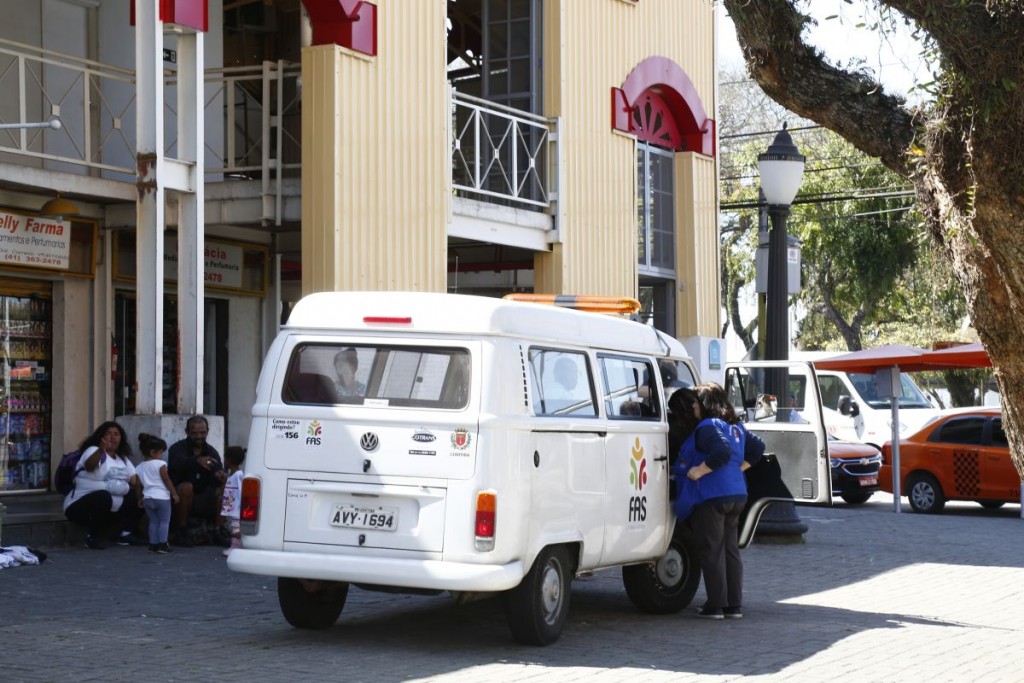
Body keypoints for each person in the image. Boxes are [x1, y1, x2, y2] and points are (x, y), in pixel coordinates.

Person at [684, 382, 767, 621]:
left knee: (711, 550)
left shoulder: (707, 426)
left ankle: (715, 605)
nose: (692, 406)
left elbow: (720, 451)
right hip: (737, 494)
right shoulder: (736, 427)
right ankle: (733, 605)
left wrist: (699, 471)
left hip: (713, 495)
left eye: (694, 402)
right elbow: (759, 447)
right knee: (730, 550)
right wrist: (739, 468)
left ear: (704, 404)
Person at [62, 421, 144, 550]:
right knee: (103, 496)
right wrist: (101, 450)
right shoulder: (93, 450)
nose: (112, 437)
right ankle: (92, 537)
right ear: (101, 436)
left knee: (143, 496)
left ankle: (126, 534)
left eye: (116, 434)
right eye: (108, 434)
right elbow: (90, 466)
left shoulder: (122, 458)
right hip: (80, 506)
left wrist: (142, 495)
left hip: (111, 509)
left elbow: (135, 479)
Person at [168, 415, 227, 547]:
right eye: (195, 433)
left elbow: (218, 472)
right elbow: (177, 465)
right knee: (186, 487)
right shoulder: (177, 448)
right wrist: (196, 461)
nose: (199, 436)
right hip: (181, 498)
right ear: (187, 432)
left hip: (204, 497)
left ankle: (219, 529)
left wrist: (220, 475)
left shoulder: (211, 451)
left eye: (202, 432)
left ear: (207, 431)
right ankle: (181, 531)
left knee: (223, 487)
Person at [136, 433, 179, 555]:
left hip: (148, 498)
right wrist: (174, 494)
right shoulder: (160, 464)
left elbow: (138, 485)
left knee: (153, 522)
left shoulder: (139, 467)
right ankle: (163, 544)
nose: (161, 456)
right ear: (153, 452)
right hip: (162, 498)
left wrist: (140, 498)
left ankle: (153, 544)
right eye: (161, 452)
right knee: (164, 521)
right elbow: (166, 480)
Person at [219, 446, 246, 557]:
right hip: (232, 508)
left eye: (225, 458)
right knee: (233, 527)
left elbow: (241, 491)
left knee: (236, 528)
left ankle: (235, 548)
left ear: (230, 460)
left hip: (237, 509)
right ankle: (235, 546)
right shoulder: (232, 475)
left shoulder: (238, 476)